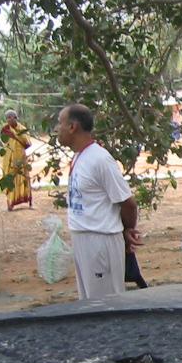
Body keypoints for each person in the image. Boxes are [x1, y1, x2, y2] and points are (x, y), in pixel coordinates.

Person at [57, 104, 141, 300]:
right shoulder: (79, 156)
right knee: (89, 303)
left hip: (101, 242)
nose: (56, 129)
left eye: (60, 123)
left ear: (73, 127)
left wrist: (127, 230)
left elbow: (127, 203)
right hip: (82, 239)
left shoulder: (100, 159)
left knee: (107, 304)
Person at [0, 110, 32, 211]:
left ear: (16, 118)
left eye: (12, 117)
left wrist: (16, 134)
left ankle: (26, 199)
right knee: (9, 179)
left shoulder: (22, 129)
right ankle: (10, 202)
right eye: (8, 118)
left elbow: (27, 143)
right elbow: (3, 142)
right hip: (8, 158)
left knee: (22, 178)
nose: (10, 119)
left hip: (20, 158)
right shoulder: (5, 129)